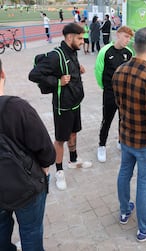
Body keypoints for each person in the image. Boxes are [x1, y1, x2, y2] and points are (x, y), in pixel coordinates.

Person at [112, 27, 146, 242]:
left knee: (125, 171)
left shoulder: (119, 71)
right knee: (144, 182)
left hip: (126, 136)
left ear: (134, 45)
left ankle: (125, 210)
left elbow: (119, 104)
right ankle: (144, 229)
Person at [0, 58, 56, 250]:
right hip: (26, 189)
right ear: (3, 74)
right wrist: (43, 169)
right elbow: (46, 151)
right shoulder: (17, 108)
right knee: (31, 233)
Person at [28, 23, 92, 191]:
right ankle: (59, 171)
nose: (82, 40)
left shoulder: (72, 52)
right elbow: (33, 75)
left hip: (75, 103)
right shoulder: (56, 55)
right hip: (62, 106)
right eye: (79, 38)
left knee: (73, 132)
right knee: (60, 139)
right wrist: (57, 81)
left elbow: (69, 70)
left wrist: (78, 69)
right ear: (69, 37)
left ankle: (73, 160)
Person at [95, 26, 134, 162]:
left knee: (123, 119)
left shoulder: (129, 53)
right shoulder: (105, 51)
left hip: (124, 93)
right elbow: (98, 72)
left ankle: (120, 141)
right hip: (110, 93)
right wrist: (106, 88)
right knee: (107, 120)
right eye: (125, 36)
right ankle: (101, 146)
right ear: (118, 35)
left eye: (129, 38)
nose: (127, 40)